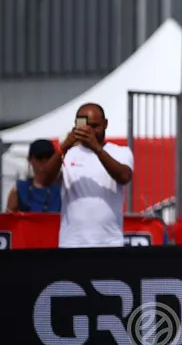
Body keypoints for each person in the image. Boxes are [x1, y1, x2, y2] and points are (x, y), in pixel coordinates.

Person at [57, 103, 134, 248]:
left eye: (94, 126)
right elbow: (44, 179)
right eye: (85, 126)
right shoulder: (68, 154)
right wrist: (63, 147)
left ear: (105, 124)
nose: (89, 131)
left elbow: (124, 176)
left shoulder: (121, 152)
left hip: (109, 242)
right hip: (72, 243)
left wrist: (96, 148)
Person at [7, 140, 62, 213]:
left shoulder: (63, 187)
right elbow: (9, 218)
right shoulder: (19, 188)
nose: (44, 161)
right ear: (30, 159)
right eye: (39, 157)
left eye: (49, 157)